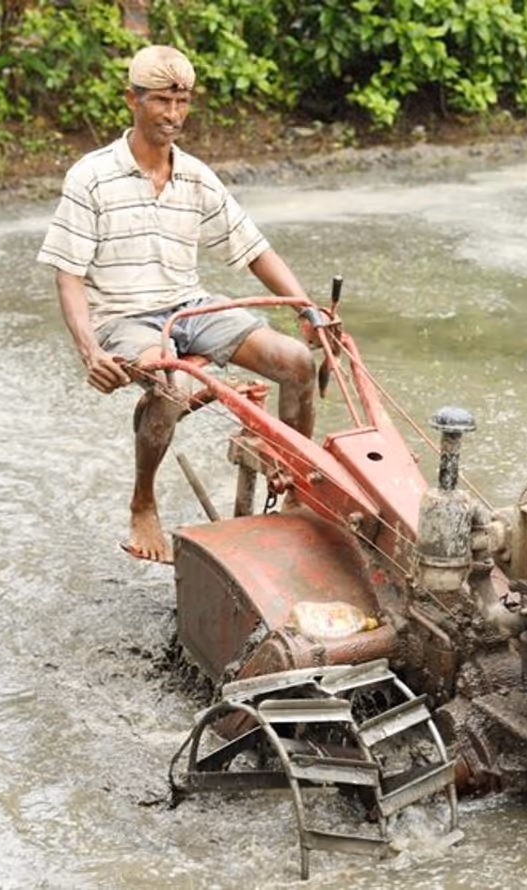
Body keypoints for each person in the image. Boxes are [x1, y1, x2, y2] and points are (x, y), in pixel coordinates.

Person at [37, 44, 316, 565]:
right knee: (169, 388)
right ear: (133, 100)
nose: (174, 115)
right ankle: (143, 499)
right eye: (162, 101)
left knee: (297, 362)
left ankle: (294, 482)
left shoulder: (194, 175)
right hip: (125, 318)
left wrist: (307, 309)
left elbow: (252, 247)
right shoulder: (91, 177)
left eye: (182, 102)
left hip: (190, 306)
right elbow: (68, 275)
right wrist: (89, 351)